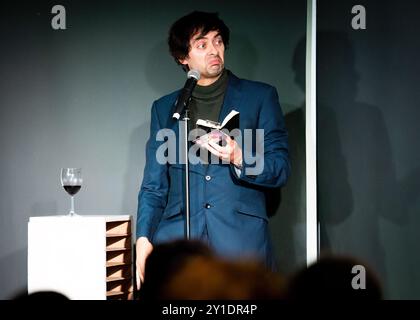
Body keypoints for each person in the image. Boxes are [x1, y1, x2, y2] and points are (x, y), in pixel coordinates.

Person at [135, 11, 290, 288]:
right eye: (202, 44)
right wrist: (143, 238)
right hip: (179, 242)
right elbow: (153, 185)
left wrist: (239, 156)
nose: (213, 50)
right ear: (184, 58)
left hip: (241, 242)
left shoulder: (259, 97)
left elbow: (280, 169)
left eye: (218, 41)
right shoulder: (165, 108)